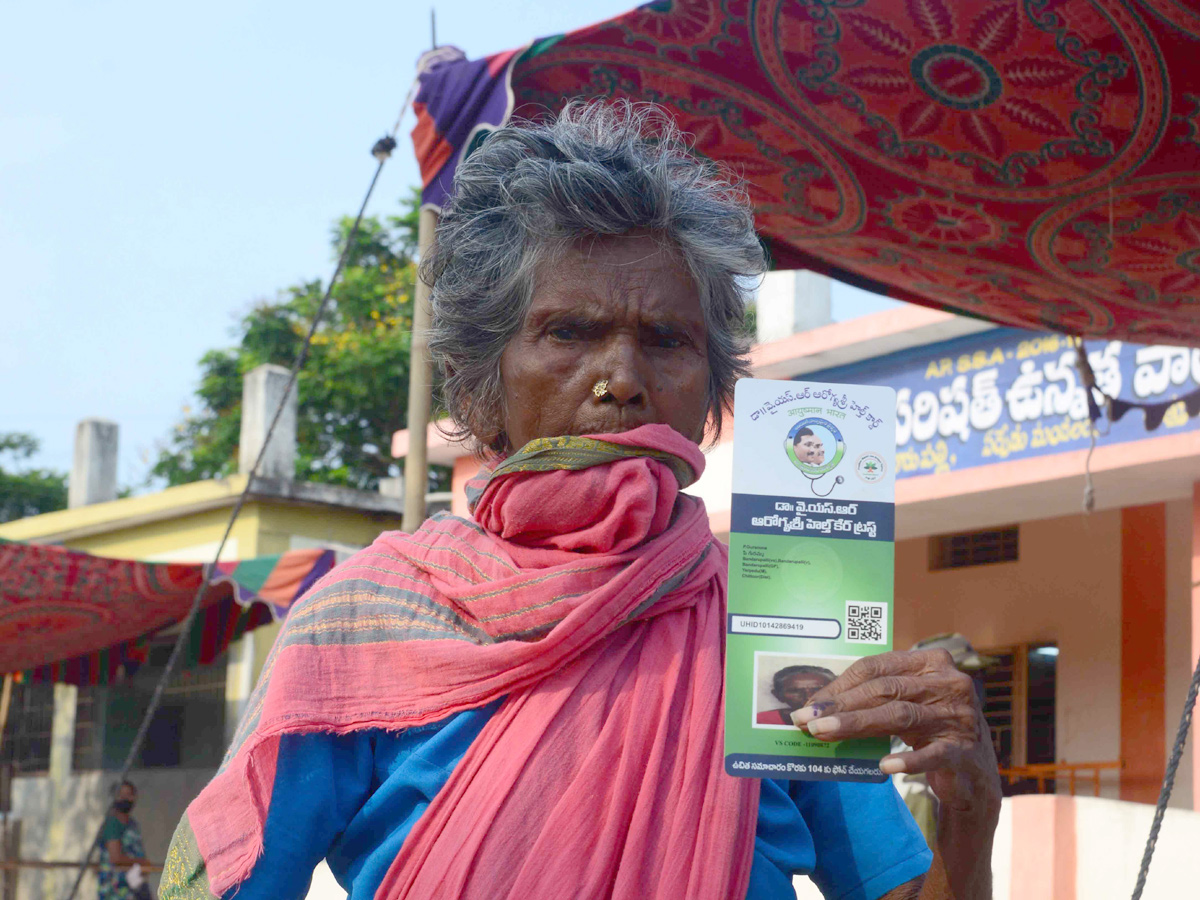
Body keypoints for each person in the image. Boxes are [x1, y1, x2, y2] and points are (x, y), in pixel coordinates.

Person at [161, 102, 1000, 900]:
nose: (624, 381)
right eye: (568, 333)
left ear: (712, 389)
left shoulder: (770, 622)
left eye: (667, 341)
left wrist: (969, 812)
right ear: (479, 381)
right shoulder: (364, 620)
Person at [97, 780, 153, 900]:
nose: (125, 798)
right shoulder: (112, 824)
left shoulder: (132, 824)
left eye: (129, 795)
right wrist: (142, 862)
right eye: (121, 795)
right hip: (115, 889)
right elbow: (115, 857)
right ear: (114, 798)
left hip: (134, 886)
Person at [756, 665, 835, 725]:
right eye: (795, 691)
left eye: (818, 690)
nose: (808, 697)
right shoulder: (761, 721)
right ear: (778, 695)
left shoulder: (844, 718)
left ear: (837, 691)